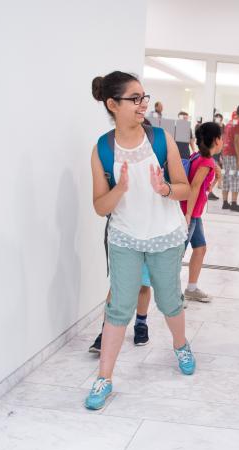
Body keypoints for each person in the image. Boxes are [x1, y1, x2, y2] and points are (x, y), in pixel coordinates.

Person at [86, 71, 195, 410]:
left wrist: (165, 189)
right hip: (125, 236)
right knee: (119, 306)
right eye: (135, 99)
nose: (142, 104)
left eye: (143, 97)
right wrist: (118, 189)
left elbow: (185, 188)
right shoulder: (102, 149)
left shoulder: (160, 139)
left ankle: (181, 344)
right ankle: (104, 378)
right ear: (112, 104)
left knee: (168, 300)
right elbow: (99, 206)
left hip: (165, 234)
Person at [181, 122, 222, 303]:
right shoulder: (205, 161)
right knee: (177, 255)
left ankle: (191, 288)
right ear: (216, 140)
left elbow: (204, 188)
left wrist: (215, 180)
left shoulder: (199, 156)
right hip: (189, 213)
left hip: (194, 213)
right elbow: (195, 187)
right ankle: (172, 296)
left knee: (200, 248)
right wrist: (188, 215)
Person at [221, 105, 239, 212]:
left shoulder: (229, 123)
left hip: (226, 153)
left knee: (226, 178)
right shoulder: (238, 123)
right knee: (236, 178)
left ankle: (225, 202)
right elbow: (237, 141)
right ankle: (234, 203)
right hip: (233, 154)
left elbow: (225, 138)